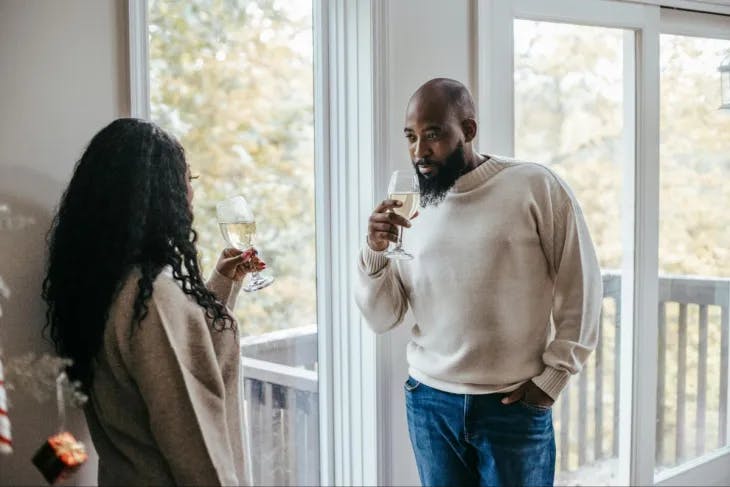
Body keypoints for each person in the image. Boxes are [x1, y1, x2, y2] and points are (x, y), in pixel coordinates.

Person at [355, 78, 603, 487]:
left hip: (512, 405)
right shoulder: (408, 207)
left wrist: (553, 378)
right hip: (429, 403)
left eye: (433, 135)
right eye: (411, 137)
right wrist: (374, 252)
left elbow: (583, 282)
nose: (420, 152)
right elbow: (383, 318)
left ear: (468, 131)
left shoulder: (535, 185)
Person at [42, 118, 264, 486]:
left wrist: (223, 283)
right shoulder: (153, 298)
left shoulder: (100, 285)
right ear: (161, 192)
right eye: (186, 180)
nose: (191, 194)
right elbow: (196, 449)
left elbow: (179, 357)